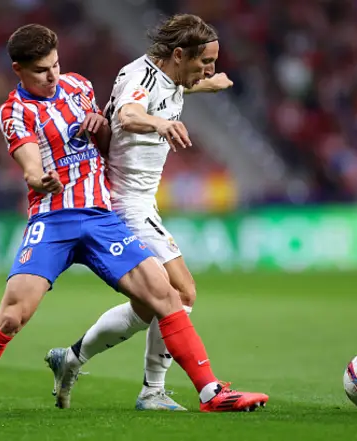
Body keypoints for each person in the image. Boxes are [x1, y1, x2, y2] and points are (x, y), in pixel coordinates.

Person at [0, 23, 268, 419]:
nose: (53, 75)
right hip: (52, 219)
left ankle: (209, 391)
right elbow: (28, 163)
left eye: (56, 65)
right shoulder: (15, 110)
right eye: (42, 70)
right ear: (18, 70)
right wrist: (40, 177)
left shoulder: (79, 86)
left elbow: (109, 136)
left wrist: (101, 126)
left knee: (167, 296)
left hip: (100, 216)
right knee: (11, 316)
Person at [45, 14, 267, 412]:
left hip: (141, 201)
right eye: (204, 63)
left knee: (149, 306)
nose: (209, 69)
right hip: (125, 204)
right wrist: (161, 125)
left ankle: (73, 358)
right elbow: (129, 114)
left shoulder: (171, 76)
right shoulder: (140, 79)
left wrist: (208, 84)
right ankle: (156, 391)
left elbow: (176, 87)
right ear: (179, 54)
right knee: (182, 291)